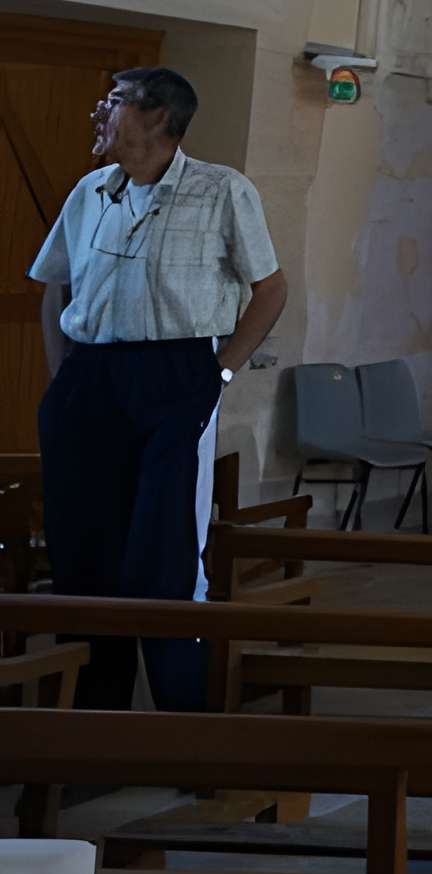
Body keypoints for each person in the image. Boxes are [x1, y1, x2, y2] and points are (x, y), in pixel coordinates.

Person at [30, 66, 287, 710]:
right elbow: (54, 283)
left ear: (156, 117)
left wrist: (219, 372)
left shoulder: (222, 190)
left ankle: (182, 717)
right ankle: (94, 713)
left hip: (176, 373)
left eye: (112, 102)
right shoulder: (91, 190)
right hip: (89, 374)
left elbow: (270, 289)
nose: (98, 112)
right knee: (82, 549)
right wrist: (65, 373)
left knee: (163, 550)